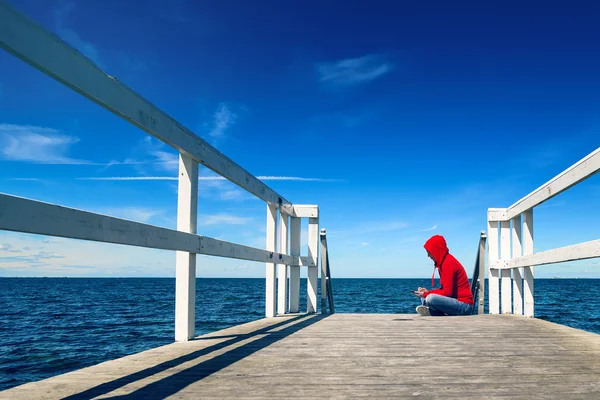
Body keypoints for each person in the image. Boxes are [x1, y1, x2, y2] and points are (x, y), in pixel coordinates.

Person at [414, 234, 473, 316]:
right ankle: (433, 311)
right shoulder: (444, 263)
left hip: (464, 306)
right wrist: (428, 292)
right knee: (425, 298)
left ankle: (433, 311)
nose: (428, 256)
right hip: (456, 302)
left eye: (429, 252)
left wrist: (426, 294)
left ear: (436, 250)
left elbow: (447, 293)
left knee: (430, 298)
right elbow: (444, 290)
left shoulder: (448, 263)